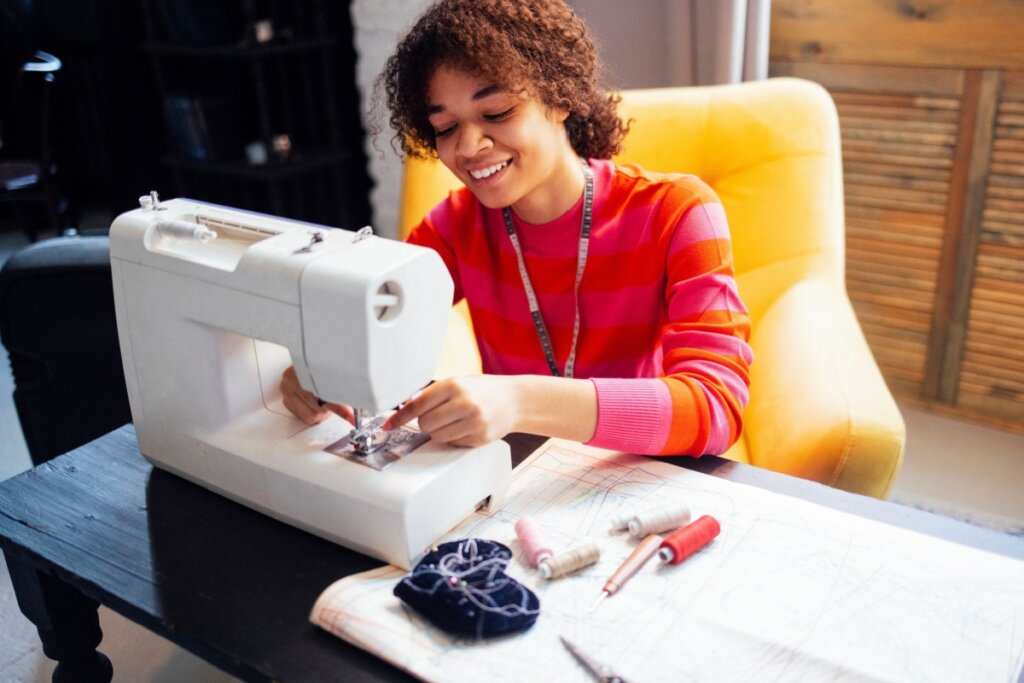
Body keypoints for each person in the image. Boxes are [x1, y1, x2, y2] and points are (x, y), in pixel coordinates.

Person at [281, 0, 753, 457]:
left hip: (635, 473)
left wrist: (518, 401)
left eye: (497, 113)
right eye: (444, 128)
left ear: (560, 99)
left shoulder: (677, 212)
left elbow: (716, 407)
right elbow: (375, 320)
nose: (467, 146)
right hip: (518, 475)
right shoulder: (455, 227)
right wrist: (313, 367)